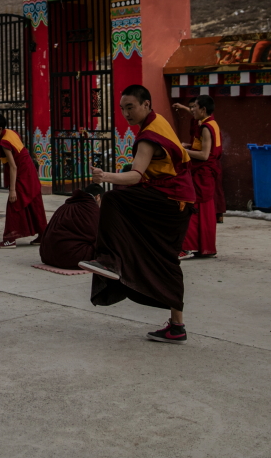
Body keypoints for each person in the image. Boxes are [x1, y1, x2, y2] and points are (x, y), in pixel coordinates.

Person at [79, 84, 197, 344]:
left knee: (113, 200)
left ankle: (109, 259)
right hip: (179, 200)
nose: (126, 113)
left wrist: (105, 176)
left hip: (169, 201)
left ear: (146, 104)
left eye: (130, 107)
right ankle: (177, 327)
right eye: (122, 109)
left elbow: (136, 176)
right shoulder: (159, 122)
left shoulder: (148, 136)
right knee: (167, 259)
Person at [0, 113, 46, 249]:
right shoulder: (10, 133)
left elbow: (13, 166)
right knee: (34, 203)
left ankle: (10, 239)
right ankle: (43, 234)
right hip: (29, 169)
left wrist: (12, 189)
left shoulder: (4, 142)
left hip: (22, 173)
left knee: (14, 203)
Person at [180, 96, 221, 259]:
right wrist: (189, 146)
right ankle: (204, 247)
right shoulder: (212, 123)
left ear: (203, 109)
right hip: (205, 174)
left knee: (192, 207)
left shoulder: (205, 127)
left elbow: (204, 155)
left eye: (194, 107)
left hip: (202, 172)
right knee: (204, 209)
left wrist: (182, 150)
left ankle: (188, 247)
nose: (192, 110)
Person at [40, 183, 103, 271]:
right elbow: (97, 235)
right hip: (71, 257)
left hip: (47, 255)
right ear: (98, 197)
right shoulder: (91, 208)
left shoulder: (65, 205)